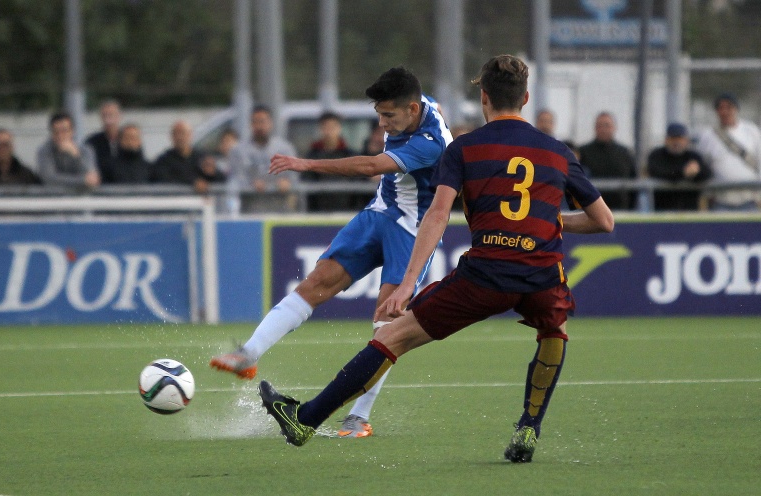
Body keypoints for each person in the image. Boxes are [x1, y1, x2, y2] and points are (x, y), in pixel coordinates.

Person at [254, 55, 614, 464]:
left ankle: (306, 419)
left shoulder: (463, 149)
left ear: (483, 98)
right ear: (526, 97)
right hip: (542, 272)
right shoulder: (557, 151)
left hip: (487, 273)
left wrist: (407, 285)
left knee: (390, 337)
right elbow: (603, 221)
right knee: (554, 332)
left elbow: (438, 214)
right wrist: (549, 220)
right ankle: (529, 427)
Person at [211, 66, 452, 438]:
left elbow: (371, 166)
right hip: (379, 213)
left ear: (412, 111)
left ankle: (359, 416)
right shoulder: (421, 104)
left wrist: (305, 164)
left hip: (412, 231)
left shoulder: (431, 143)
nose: (383, 124)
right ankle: (249, 354)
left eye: (389, 116)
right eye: (379, 115)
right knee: (317, 282)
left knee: (385, 324)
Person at [696, 93, 761, 211]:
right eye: (721, 108)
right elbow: (703, 166)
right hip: (720, 202)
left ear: (736, 109)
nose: (725, 111)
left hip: (749, 200)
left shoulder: (751, 131)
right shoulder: (708, 136)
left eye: (729, 107)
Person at [228, 105, 298, 212]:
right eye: (255, 122)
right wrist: (251, 185)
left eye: (263, 122)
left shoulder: (285, 149)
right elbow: (235, 179)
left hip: (279, 212)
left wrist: (287, 183)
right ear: (250, 124)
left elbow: (294, 177)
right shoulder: (238, 150)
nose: (259, 126)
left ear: (271, 123)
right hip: (251, 211)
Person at [302, 111, 367, 211]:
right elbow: (307, 181)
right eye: (325, 127)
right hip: (318, 211)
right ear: (320, 129)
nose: (329, 132)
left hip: (347, 209)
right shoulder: (312, 156)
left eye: (332, 127)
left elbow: (358, 182)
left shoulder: (350, 155)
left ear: (339, 128)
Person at [647, 123, 712, 211]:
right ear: (666, 140)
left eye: (680, 138)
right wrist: (684, 173)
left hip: (689, 212)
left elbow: (707, 174)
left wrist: (696, 172)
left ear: (686, 140)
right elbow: (657, 172)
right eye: (673, 138)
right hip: (663, 212)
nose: (676, 142)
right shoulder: (657, 155)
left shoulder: (693, 156)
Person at [578, 111, 637, 210]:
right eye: (600, 125)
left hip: (621, 211)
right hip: (592, 212)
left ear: (614, 128)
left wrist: (631, 209)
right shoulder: (583, 152)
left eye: (607, 125)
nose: (603, 129)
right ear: (595, 128)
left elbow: (634, 182)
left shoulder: (624, 153)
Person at [36, 111, 100, 189]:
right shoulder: (44, 151)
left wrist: (76, 156)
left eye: (64, 131)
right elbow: (49, 178)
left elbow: (92, 178)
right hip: (53, 198)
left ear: (72, 131)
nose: (60, 136)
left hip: (82, 199)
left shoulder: (86, 150)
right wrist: (82, 181)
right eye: (56, 132)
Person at [151, 120, 214, 193]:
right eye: (177, 133)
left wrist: (212, 173)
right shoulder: (163, 161)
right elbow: (165, 179)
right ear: (172, 136)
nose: (180, 137)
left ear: (190, 135)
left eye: (183, 133)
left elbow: (220, 179)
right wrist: (193, 182)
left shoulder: (202, 157)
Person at [85, 99, 122, 182]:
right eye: (105, 115)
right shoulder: (92, 142)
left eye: (111, 115)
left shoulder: (127, 139)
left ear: (119, 116)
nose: (109, 119)